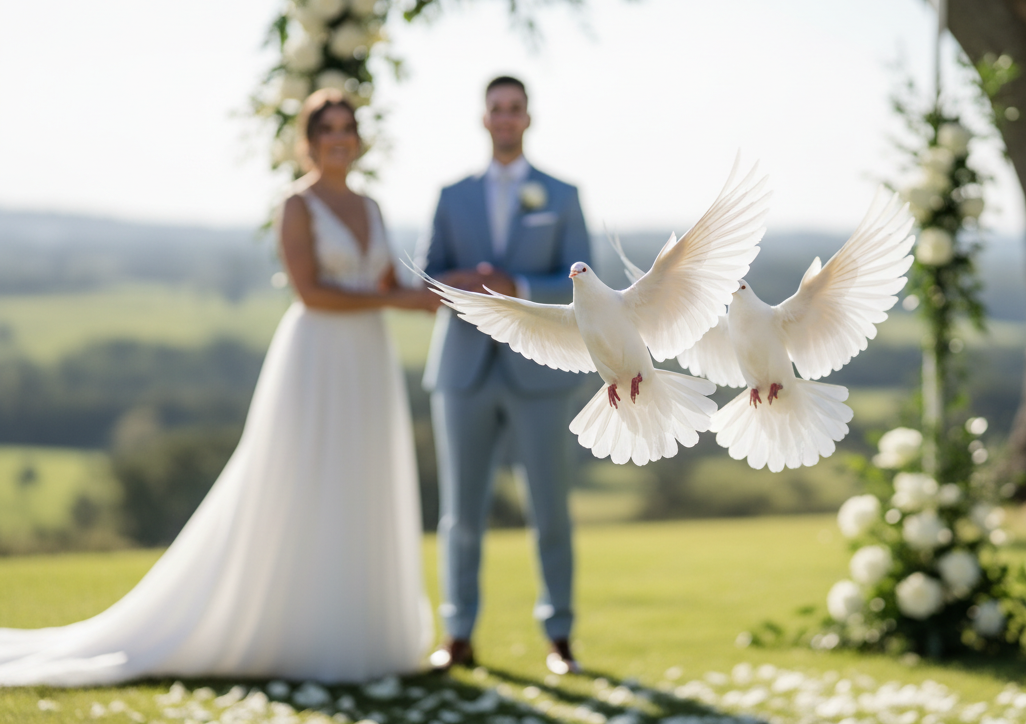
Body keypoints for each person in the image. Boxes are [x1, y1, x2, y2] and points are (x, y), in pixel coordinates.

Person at [0, 89, 440, 686]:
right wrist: (398, 300)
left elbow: (388, 278)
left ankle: (358, 632)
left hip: (368, 358)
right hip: (317, 355)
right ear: (308, 142)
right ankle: (298, 631)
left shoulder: (374, 206)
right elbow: (312, 292)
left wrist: (449, 290)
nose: (340, 137)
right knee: (306, 479)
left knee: (360, 478)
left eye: (348, 127)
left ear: (359, 138)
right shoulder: (297, 205)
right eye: (327, 128)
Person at [423, 76, 590, 675]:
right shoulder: (451, 195)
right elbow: (429, 274)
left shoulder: (562, 194)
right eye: (496, 109)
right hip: (462, 371)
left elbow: (583, 281)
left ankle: (560, 635)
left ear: (528, 117)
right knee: (460, 514)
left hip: (539, 374)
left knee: (550, 510)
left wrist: (518, 287)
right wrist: (462, 280)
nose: (505, 118)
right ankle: (459, 632)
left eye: (514, 109)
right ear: (483, 117)